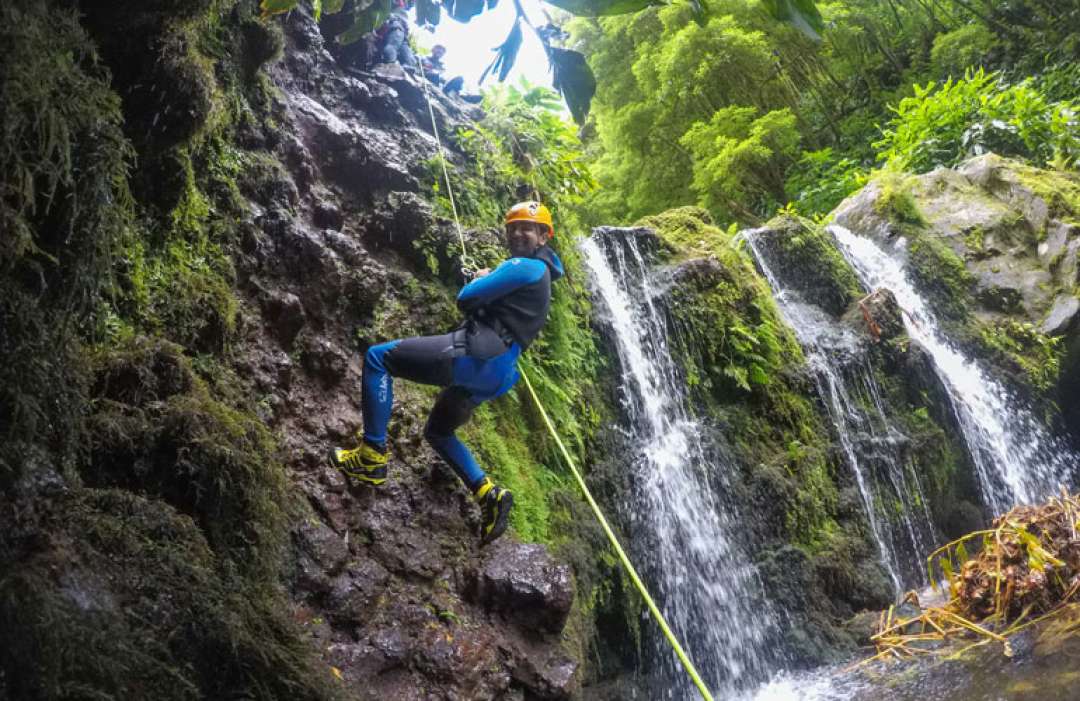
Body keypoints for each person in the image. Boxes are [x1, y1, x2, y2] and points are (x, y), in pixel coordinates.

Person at [330, 202, 565, 545]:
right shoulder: (541, 277)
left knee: (378, 358)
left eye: (526, 228)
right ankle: (489, 494)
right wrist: (491, 281)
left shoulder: (526, 266)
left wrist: (483, 279)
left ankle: (371, 455)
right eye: (512, 228)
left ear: (543, 236)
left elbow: (466, 297)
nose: (517, 233)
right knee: (439, 432)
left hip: (475, 357)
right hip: (497, 374)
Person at [375, 0, 416, 70]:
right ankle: (410, 65)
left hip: (394, 28)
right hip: (401, 31)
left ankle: (390, 65)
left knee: (390, 47)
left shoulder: (397, 8)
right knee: (404, 49)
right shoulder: (402, 12)